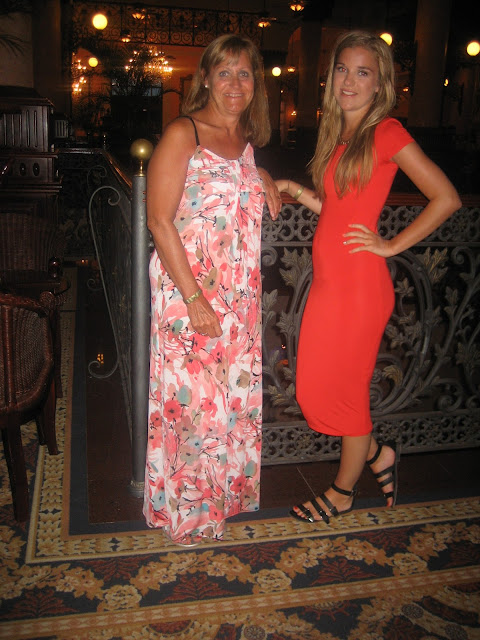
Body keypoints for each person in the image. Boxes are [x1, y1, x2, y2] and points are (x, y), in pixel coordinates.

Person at [275, 30, 461, 524]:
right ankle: (379, 453)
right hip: (330, 285)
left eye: (362, 72)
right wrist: (294, 187)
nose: (349, 81)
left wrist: (392, 245)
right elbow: (337, 210)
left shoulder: (387, 132)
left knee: (349, 395)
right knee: (312, 389)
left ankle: (342, 491)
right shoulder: (341, 135)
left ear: (380, 84)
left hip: (359, 289)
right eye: (342, 69)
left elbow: (446, 198)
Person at [143, 34, 281, 545]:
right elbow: (159, 221)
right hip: (191, 293)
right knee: (193, 406)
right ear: (205, 78)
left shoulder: (244, 139)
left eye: (244, 73)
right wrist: (194, 298)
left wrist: (263, 174)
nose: (235, 83)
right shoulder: (184, 132)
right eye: (224, 72)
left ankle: (218, 501)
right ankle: (188, 514)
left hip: (239, 296)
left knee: (227, 402)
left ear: (255, 83)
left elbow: (229, 185)